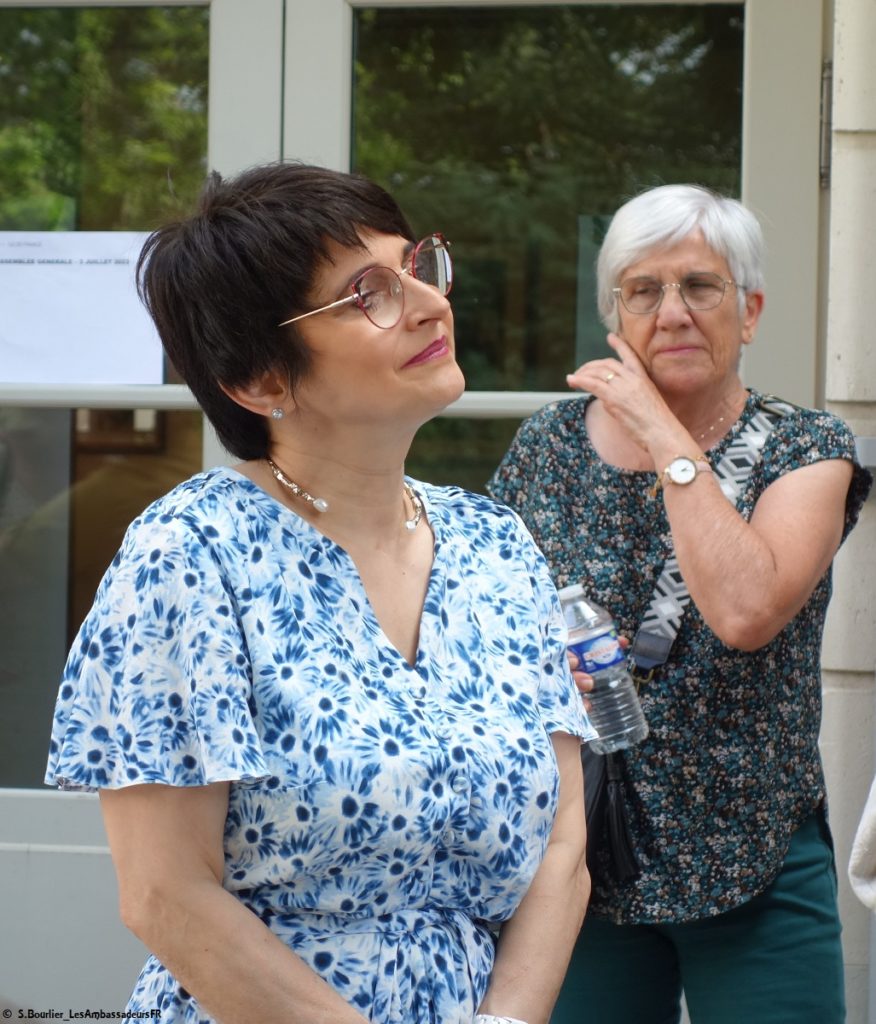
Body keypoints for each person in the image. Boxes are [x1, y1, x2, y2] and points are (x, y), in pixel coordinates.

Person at [45, 162, 594, 1024]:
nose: (426, 302)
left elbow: (562, 846)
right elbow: (165, 894)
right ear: (262, 380)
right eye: (369, 292)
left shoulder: (498, 546)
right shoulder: (191, 553)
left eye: (416, 265)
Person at [489, 183, 872, 1024]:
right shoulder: (546, 447)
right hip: (579, 855)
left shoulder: (807, 447)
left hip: (757, 854)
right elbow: (487, 636)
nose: (673, 313)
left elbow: (745, 611)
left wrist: (662, 431)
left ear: (750, 310)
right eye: (643, 291)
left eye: (700, 286)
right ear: (613, 316)